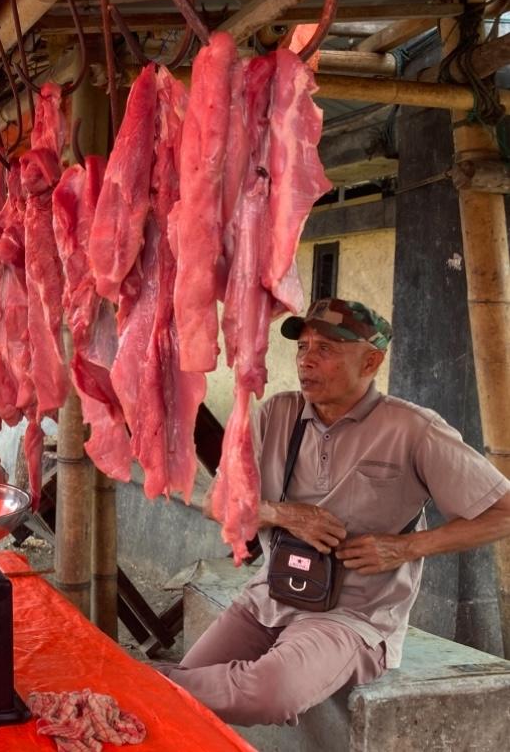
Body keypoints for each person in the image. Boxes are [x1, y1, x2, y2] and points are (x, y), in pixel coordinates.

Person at [166, 298, 510, 727]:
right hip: (271, 594)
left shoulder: (413, 429)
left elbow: (503, 512)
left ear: (371, 361)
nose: (306, 360)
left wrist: (405, 547)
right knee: (184, 694)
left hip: (354, 615)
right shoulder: (276, 413)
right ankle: (159, 683)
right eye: (302, 347)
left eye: (326, 349)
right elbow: (216, 502)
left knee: (267, 694)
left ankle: (142, 677)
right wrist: (282, 514)